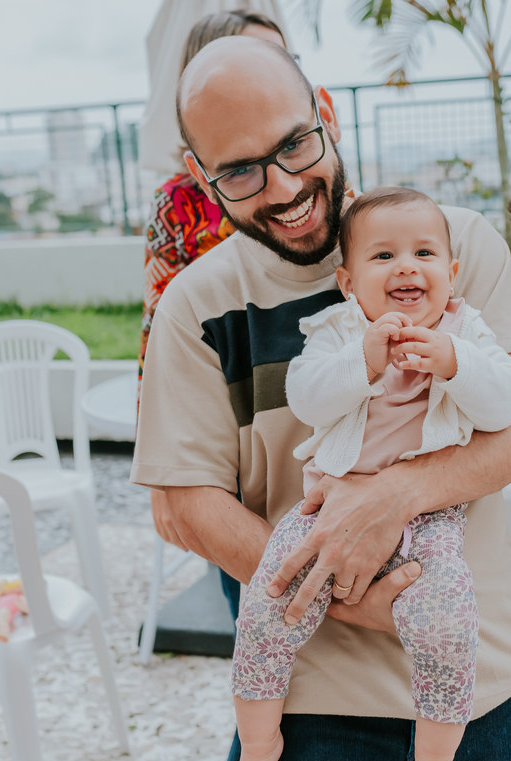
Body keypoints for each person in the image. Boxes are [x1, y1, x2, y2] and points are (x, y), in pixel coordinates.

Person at [132, 35, 511, 761]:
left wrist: (391, 497)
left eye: (295, 144)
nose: (284, 185)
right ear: (201, 178)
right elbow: (183, 504)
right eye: (241, 170)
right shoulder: (195, 307)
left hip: (481, 672)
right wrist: (343, 588)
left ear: (325, 114)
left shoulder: (454, 243)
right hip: (312, 694)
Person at [229, 186, 511, 761]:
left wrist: (455, 363)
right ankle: (259, 748)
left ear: (452, 271)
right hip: (331, 506)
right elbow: (306, 398)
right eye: (383, 256)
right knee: (268, 603)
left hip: (431, 518)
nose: (407, 267)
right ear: (347, 281)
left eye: (424, 252)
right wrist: (363, 362)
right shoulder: (337, 331)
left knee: (448, 625)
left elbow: (507, 404)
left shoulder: (465, 331)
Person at [139, 10, 290, 613]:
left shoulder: (314, 167)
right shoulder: (179, 201)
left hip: (320, 417)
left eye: (283, 62)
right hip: (234, 430)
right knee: (261, 619)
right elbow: (159, 335)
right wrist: (162, 472)